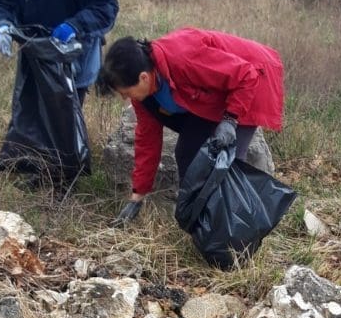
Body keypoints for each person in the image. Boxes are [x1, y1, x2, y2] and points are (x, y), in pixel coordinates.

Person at [95, 27, 285, 226]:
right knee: (187, 152)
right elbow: (147, 142)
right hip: (214, 95)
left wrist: (229, 120)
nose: (125, 98)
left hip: (254, 77)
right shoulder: (144, 96)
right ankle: (199, 222)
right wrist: (138, 195)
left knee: (230, 162)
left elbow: (246, 74)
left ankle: (235, 229)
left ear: (143, 77)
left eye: (126, 92)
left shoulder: (183, 58)